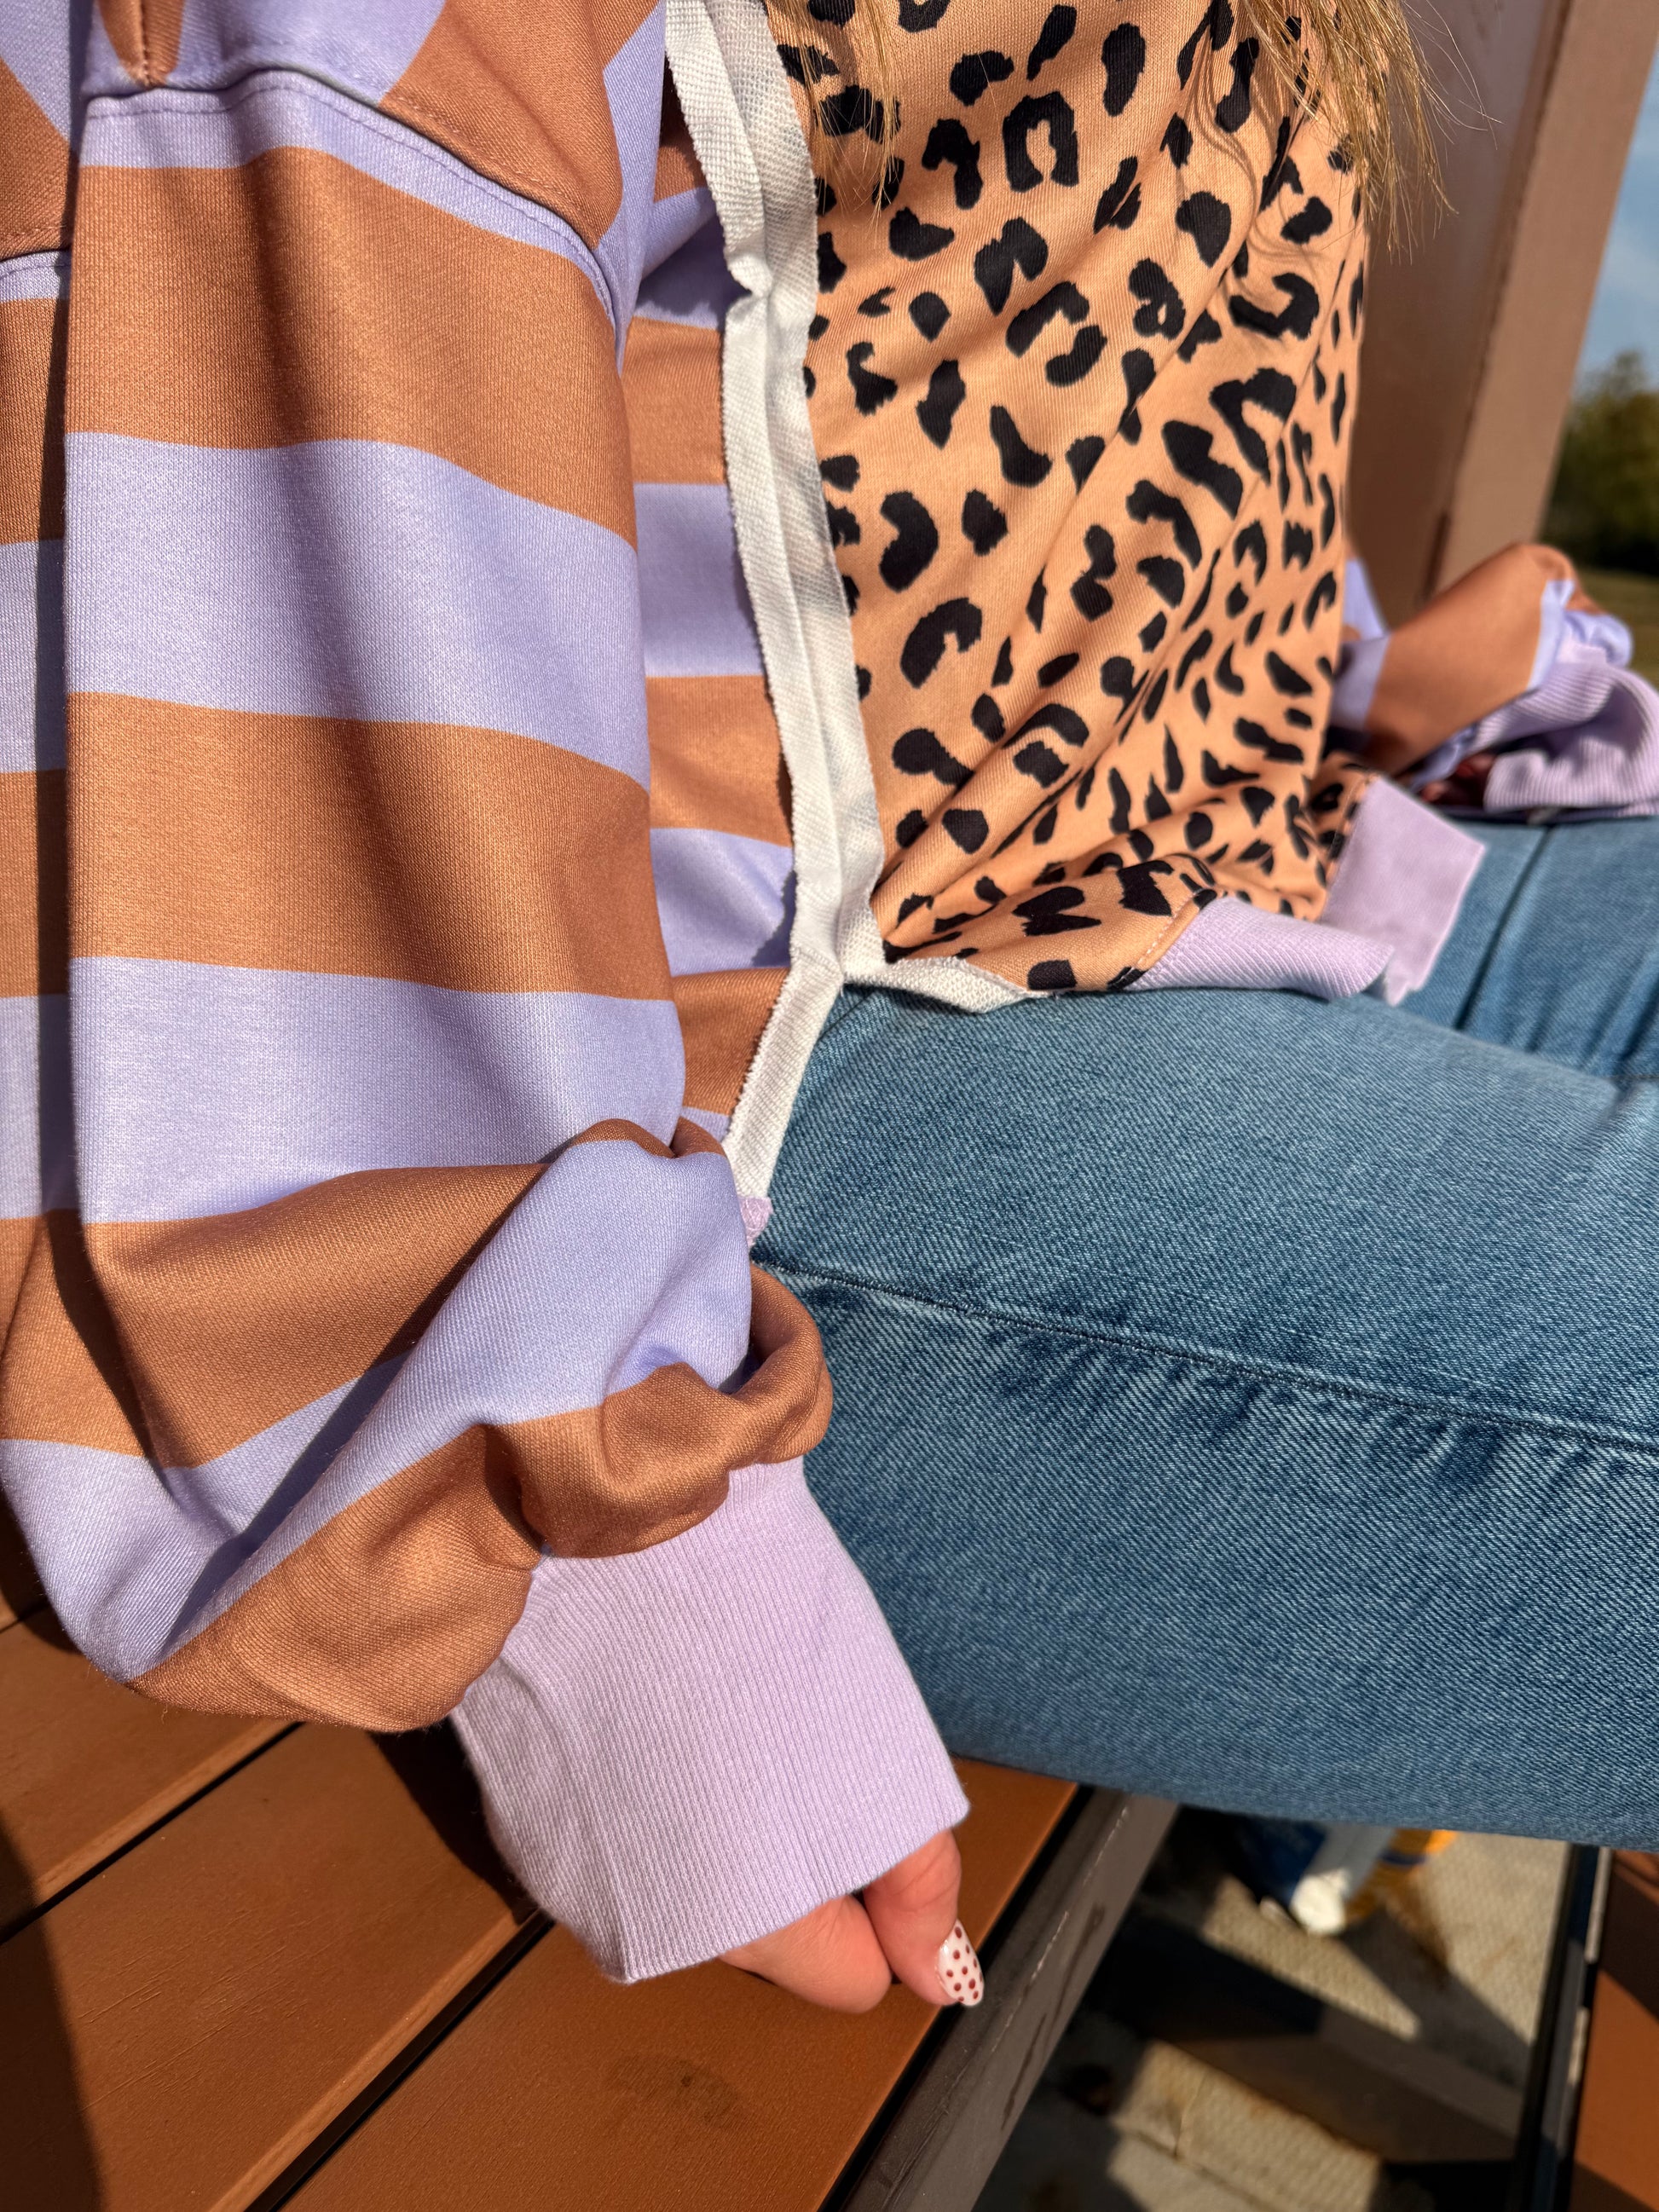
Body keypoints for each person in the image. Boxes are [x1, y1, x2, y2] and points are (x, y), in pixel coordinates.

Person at [4, 0, 1656, 2018]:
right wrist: (625, 1560)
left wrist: (1365, 689)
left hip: (1251, 839)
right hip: (746, 1040)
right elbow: (285, 211)